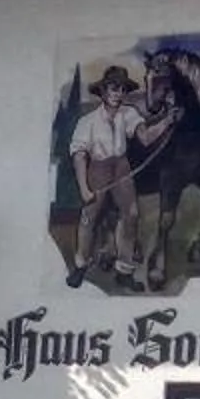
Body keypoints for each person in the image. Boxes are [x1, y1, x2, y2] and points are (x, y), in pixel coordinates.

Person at [65, 63, 143, 288]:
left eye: (122, 90)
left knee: (131, 214)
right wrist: (84, 188)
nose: (118, 94)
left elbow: (145, 136)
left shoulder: (129, 114)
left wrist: (167, 122)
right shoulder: (87, 122)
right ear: (103, 91)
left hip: (122, 167)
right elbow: (79, 156)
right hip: (97, 168)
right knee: (89, 216)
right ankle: (80, 266)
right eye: (113, 88)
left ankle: (124, 271)